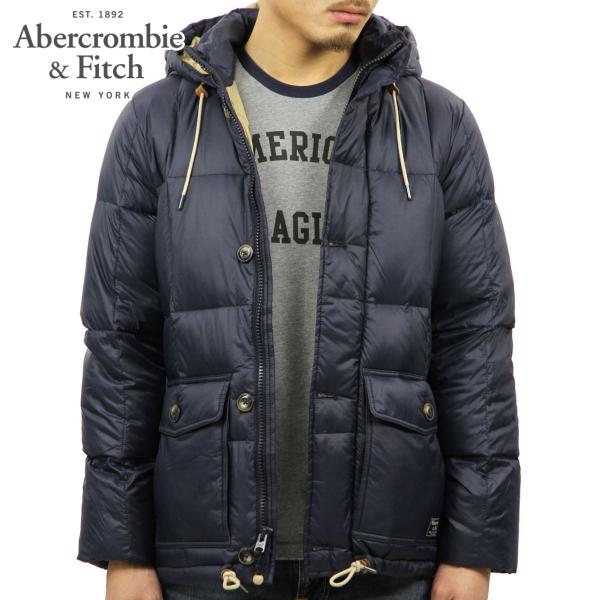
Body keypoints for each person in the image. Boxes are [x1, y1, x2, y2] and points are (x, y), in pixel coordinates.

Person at [76, 2, 520, 599]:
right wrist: (122, 551)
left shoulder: (439, 125)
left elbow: (476, 344)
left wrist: (473, 550)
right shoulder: (160, 121)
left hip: (385, 558)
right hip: (204, 559)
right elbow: (121, 346)